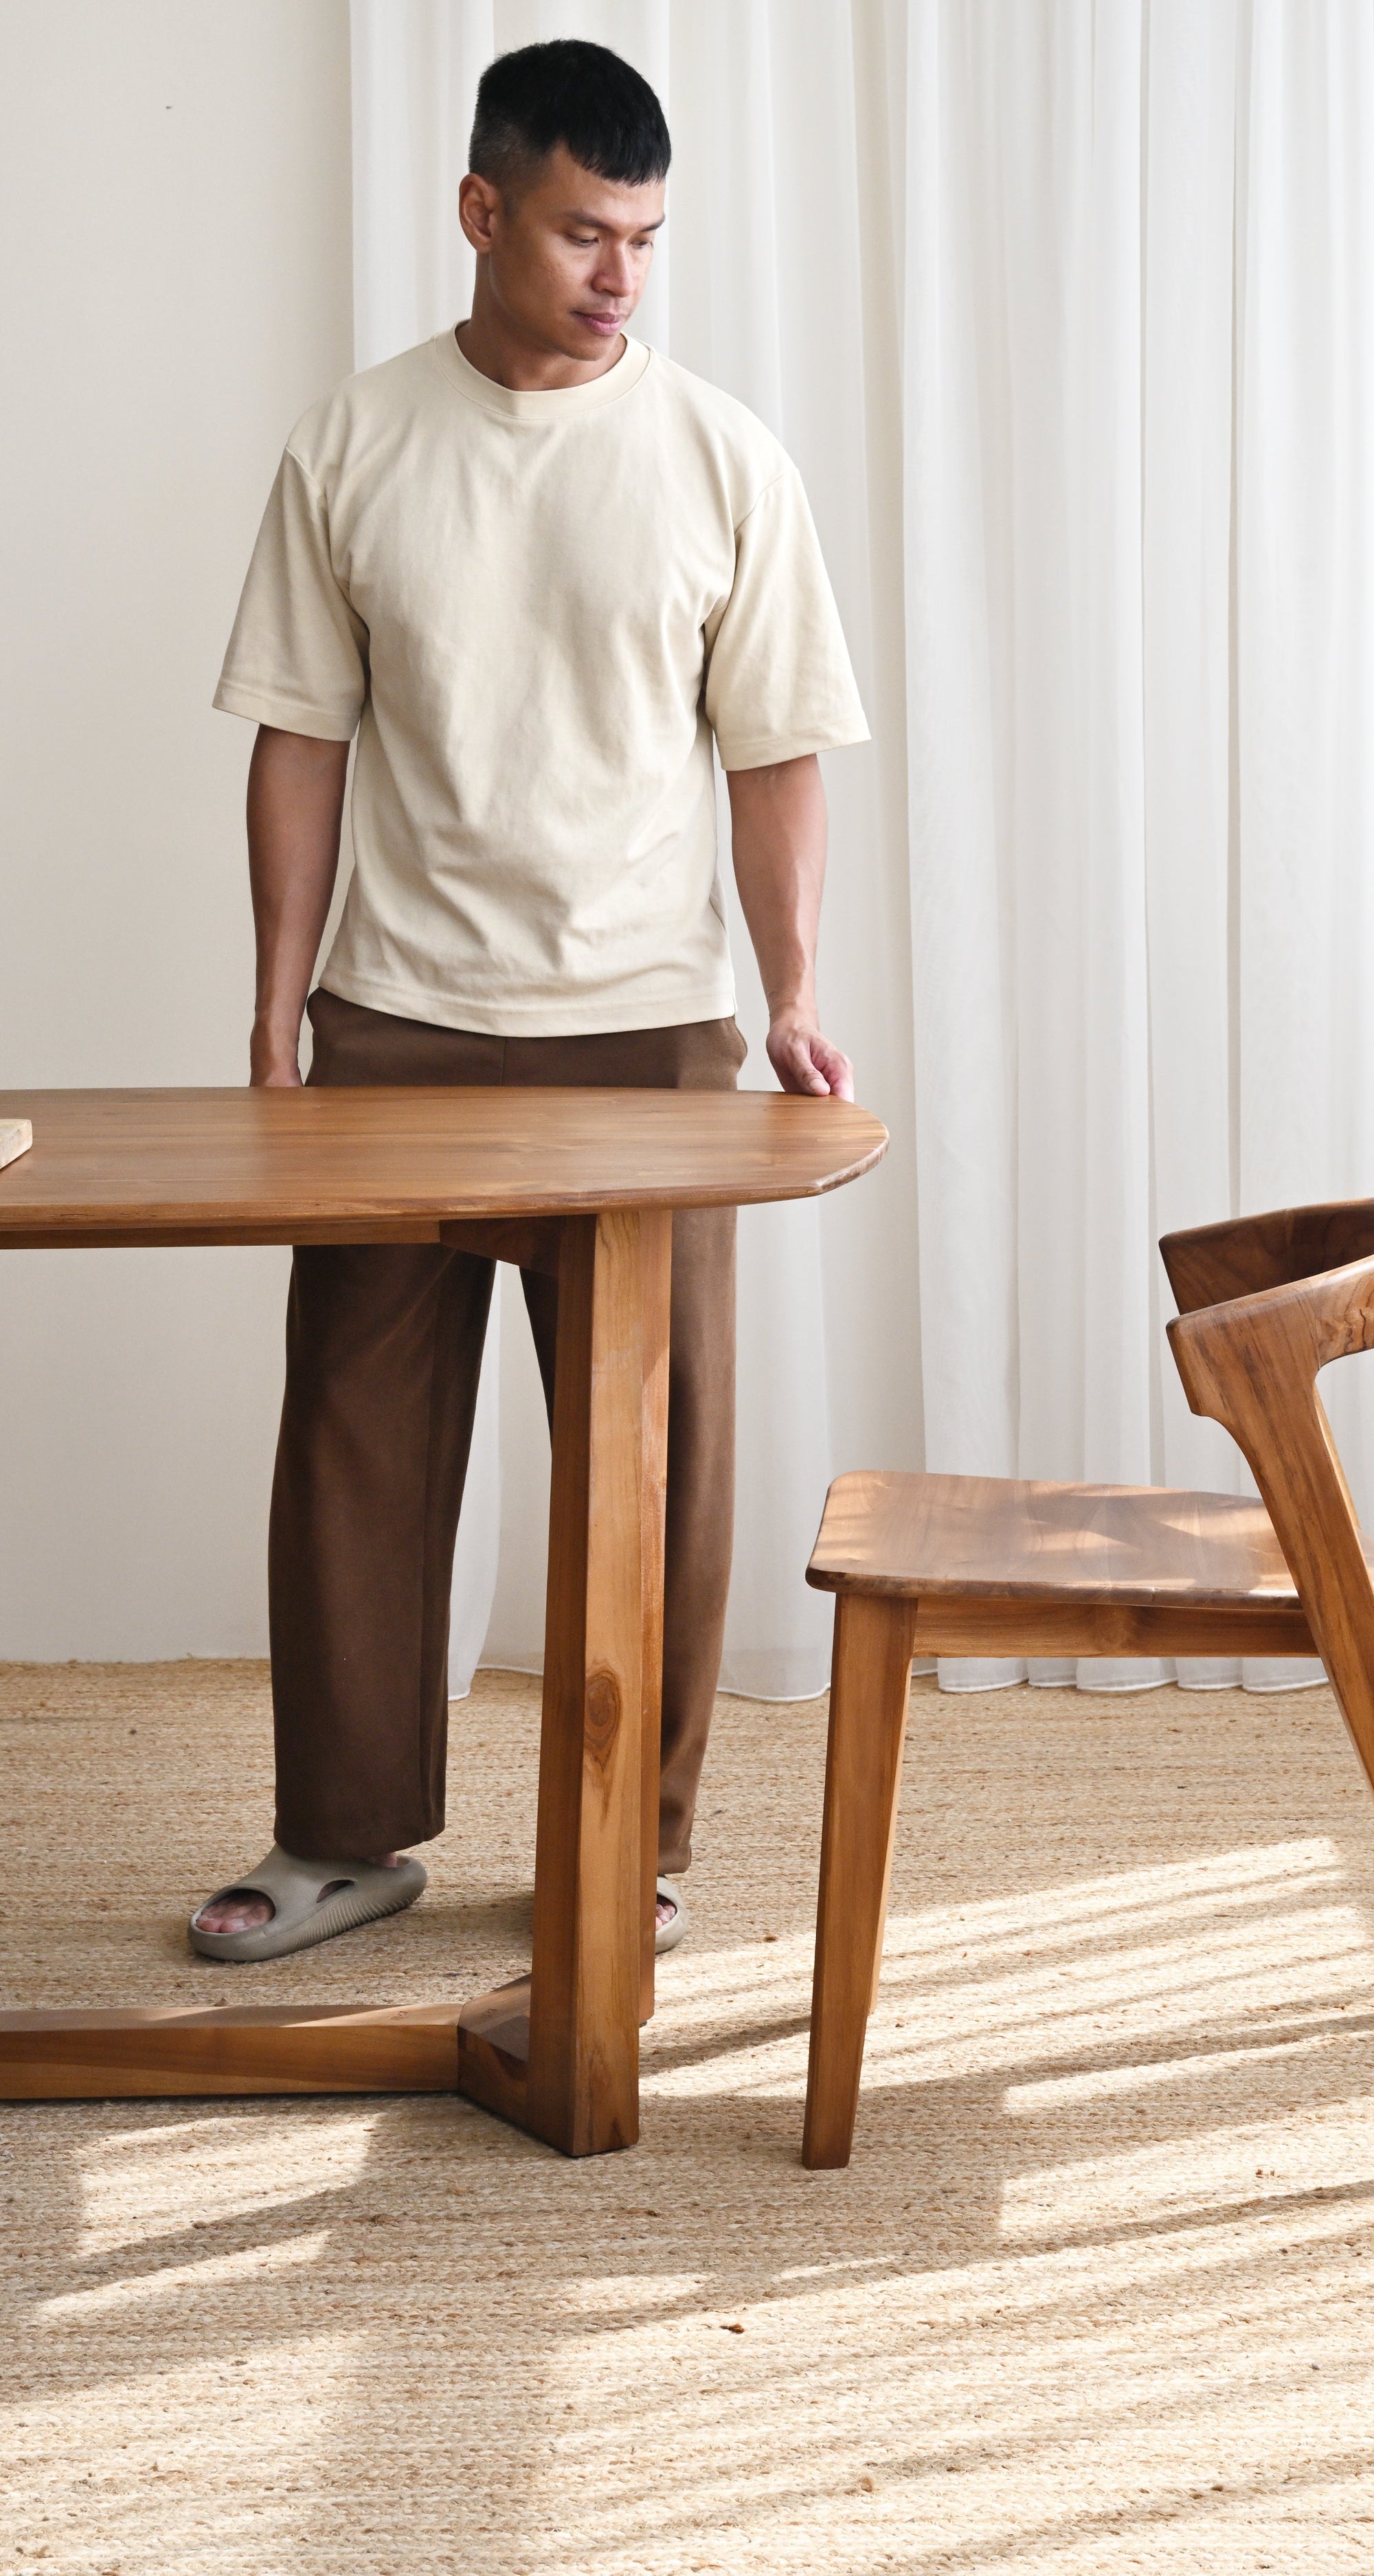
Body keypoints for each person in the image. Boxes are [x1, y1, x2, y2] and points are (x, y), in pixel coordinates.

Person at [189, 38, 867, 1962]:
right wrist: (271, 1016)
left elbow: (780, 750)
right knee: (355, 1438)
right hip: (396, 1017)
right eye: (585, 230)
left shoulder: (726, 457)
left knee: (658, 1455)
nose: (622, 275)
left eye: (647, 238)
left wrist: (795, 989)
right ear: (483, 210)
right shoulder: (357, 441)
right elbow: (299, 741)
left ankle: (627, 1850)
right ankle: (342, 1839)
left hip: (648, 1032)